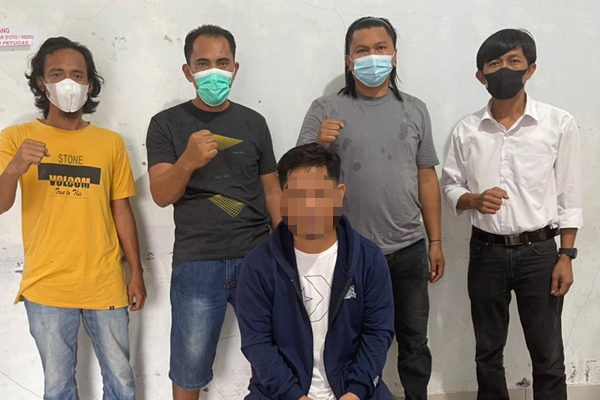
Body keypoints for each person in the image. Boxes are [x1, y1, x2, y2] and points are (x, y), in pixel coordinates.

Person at [297, 16, 444, 400]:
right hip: (348, 251)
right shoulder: (325, 108)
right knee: (348, 340)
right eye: (361, 50)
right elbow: (298, 176)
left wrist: (435, 240)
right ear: (348, 60)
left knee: (414, 340)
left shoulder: (415, 110)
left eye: (380, 48)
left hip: (408, 247)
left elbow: (426, 177)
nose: (371, 56)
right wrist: (319, 143)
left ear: (394, 55)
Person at [0, 37, 146, 400]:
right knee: (58, 388)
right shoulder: (16, 138)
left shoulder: (110, 142)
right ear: (41, 82)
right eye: (57, 73)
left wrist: (136, 272)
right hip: (46, 285)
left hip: (105, 281)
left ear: (90, 85)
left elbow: (122, 210)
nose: (68, 82)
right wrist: (15, 168)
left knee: (122, 384)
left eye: (77, 75)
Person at [442, 28, 582, 400]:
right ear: (481, 75)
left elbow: (569, 196)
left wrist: (566, 255)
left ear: (529, 69)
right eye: (494, 63)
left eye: (513, 61)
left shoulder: (557, 123)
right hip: (485, 252)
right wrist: (473, 200)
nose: (504, 69)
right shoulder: (466, 131)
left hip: (540, 252)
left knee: (548, 354)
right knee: (487, 353)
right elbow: (450, 185)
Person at [145, 25, 282, 400]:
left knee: (273, 354)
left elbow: (272, 190)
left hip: (258, 257)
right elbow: (160, 194)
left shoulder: (254, 123)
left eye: (222, 63)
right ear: (188, 71)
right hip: (198, 261)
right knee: (189, 367)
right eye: (203, 63)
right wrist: (188, 161)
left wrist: (287, 247)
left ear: (235, 68)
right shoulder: (166, 124)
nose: (214, 71)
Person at [237, 143, 395, 400]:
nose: (308, 207)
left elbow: (378, 333)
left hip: (353, 390)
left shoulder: (368, 259)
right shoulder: (258, 265)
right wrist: (293, 395)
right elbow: (257, 343)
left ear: (338, 194)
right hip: (280, 393)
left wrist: (355, 392)